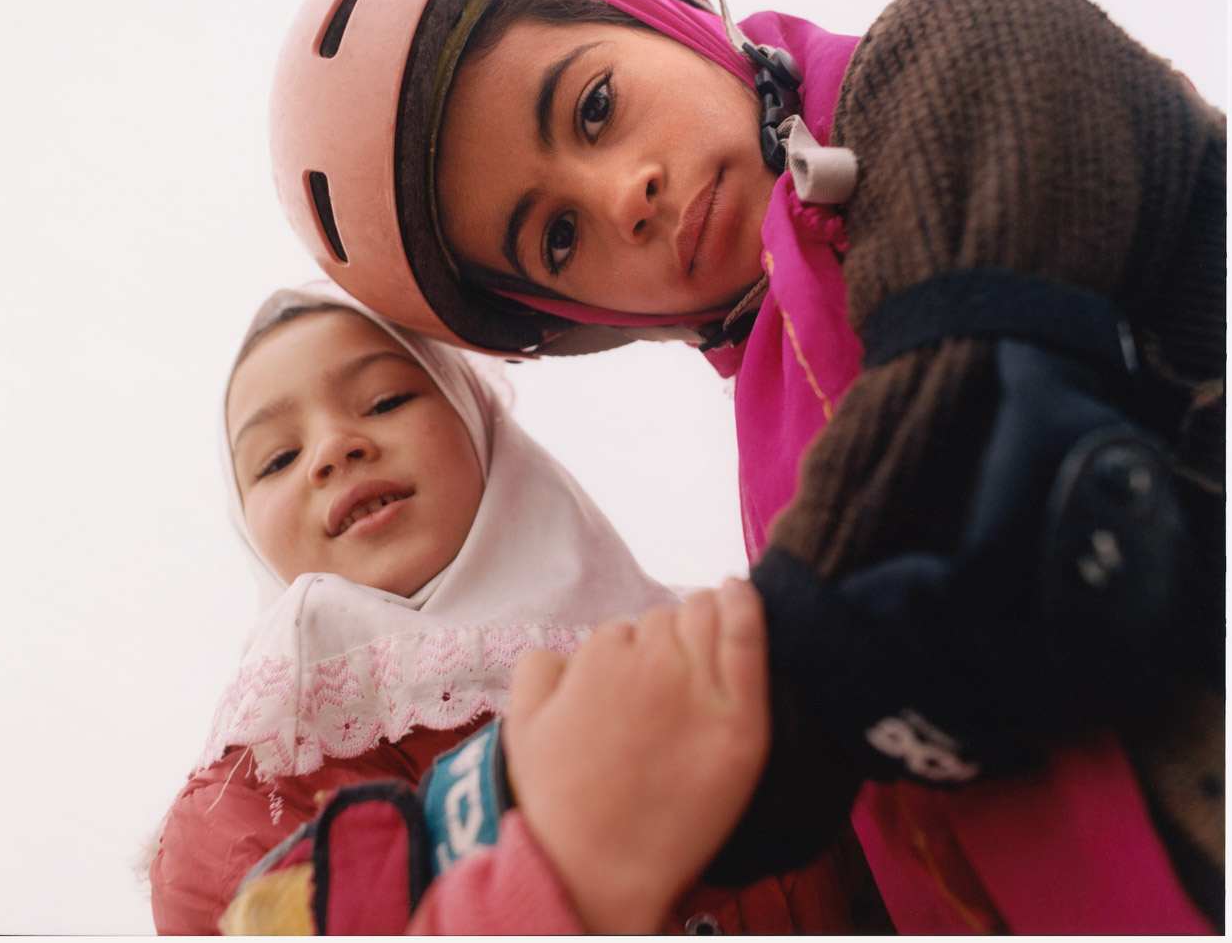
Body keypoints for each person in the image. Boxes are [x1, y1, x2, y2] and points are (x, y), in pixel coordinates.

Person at [265, 0, 1225, 933]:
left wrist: (508, 806)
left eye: (595, 108)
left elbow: (976, 463)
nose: (619, 198)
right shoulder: (782, 475)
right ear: (584, 323)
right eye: (557, 237)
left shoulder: (957, 53)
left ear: (658, 11)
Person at [147, 279, 860, 934]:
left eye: (386, 400)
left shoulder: (719, 642)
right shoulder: (236, 814)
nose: (334, 448)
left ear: (478, 421)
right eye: (276, 458)